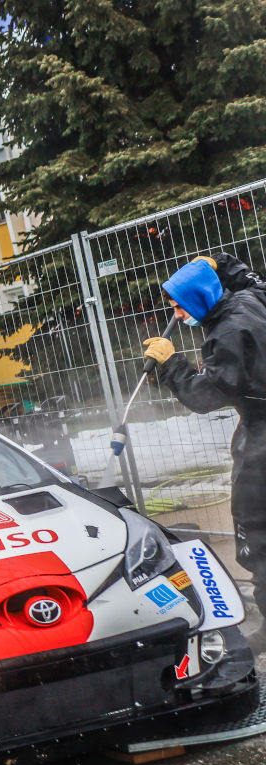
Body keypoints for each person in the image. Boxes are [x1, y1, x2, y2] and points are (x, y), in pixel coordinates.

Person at [143, 256, 266, 654]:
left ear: (201, 298)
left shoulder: (229, 333)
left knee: (256, 530)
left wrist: (171, 365)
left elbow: (207, 394)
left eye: (180, 305)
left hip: (262, 437)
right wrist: (217, 262)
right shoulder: (251, 299)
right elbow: (246, 278)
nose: (176, 315)